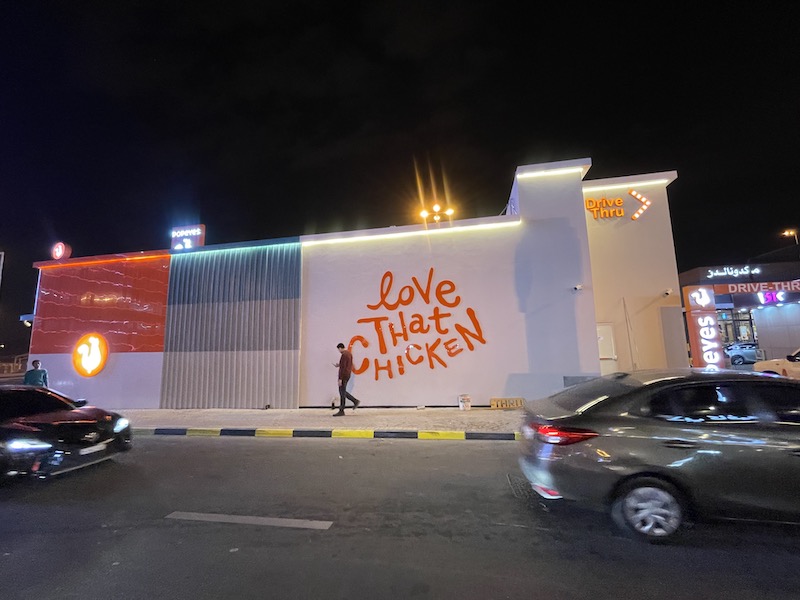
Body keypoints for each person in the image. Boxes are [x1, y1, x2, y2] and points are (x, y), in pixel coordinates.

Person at [332, 342, 360, 416]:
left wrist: (340, 378)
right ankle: (355, 401)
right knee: (343, 391)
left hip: (344, 375)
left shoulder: (344, 355)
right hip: (348, 374)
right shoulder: (349, 353)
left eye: (338, 349)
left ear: (340, 348)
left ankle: (342, 410)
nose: (339, 351)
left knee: (342, 393)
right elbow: (346, 364)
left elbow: (343, 368)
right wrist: (339, 365)